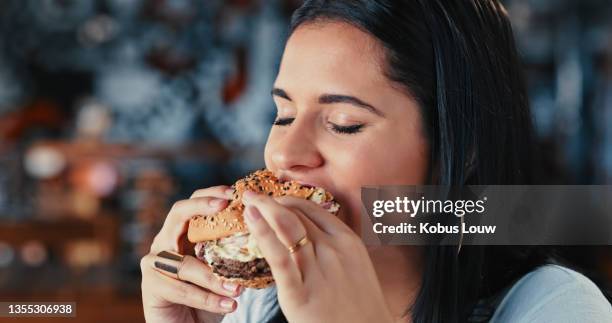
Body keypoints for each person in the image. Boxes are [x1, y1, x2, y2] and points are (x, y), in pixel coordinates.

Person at [140, 1, 612, 322]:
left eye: (344, 123)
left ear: (459, 148)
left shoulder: (555, 306)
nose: (283, 154)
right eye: (282, 115)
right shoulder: (257, 302)